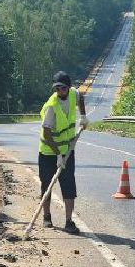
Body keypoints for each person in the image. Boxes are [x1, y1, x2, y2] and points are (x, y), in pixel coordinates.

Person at [39, 71, 87, 233]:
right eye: (57, 88)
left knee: (68, 186)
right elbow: (46, 134)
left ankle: (69, 221)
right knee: (47, 185)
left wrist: (83, 116)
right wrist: (57, 154)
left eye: (63, 88)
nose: (60, 91)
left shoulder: (73, 94)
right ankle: (46, 217)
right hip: (48, 152)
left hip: (68, 150)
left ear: (69, 87)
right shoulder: (51, 107)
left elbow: (81, 97)